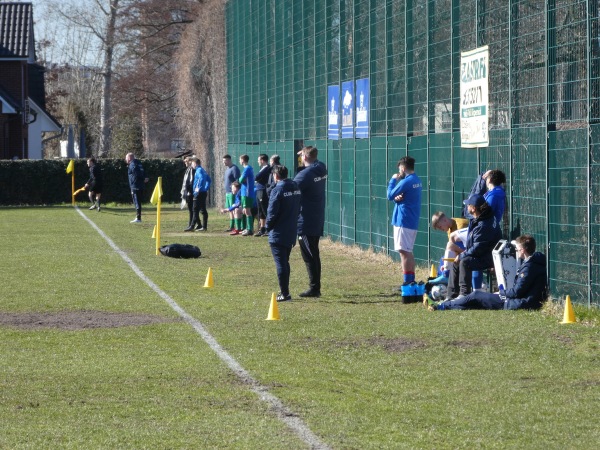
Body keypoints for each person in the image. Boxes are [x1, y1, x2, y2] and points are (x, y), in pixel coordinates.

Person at [426, 235, 547, 311]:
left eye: (517, 249)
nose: (516, 251)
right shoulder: (534, 263)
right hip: (519, 301)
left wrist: (501, 293)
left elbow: (517, 292)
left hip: (515, 303)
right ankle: (443, 307)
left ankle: (441, 306)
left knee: (475, 296)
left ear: (523, 250)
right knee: (475, 302)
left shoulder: (529, 267)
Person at [446, 194, 502, 300]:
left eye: (468, 205)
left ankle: (464, 294)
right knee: (457, 261)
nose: (466, 207)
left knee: (464, 261)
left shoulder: (484, 224)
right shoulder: (480, 218)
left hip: (488, 257)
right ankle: (451, 296)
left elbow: (478, 248)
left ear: (474, 208)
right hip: (483, 253)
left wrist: (462, 254)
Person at [294, 145, 328, 298]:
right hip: (317, 217)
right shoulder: (321, 168)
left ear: (304, 157)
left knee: (310, 256)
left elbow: (290, 187)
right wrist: (305, 155)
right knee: (314, 252)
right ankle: (315, 287)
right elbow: (315, 162)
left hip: (306, 221)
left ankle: (315, 288)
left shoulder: (304, 175)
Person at [266, 165, 301, 302]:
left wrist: (268, 227)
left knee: (281, 263)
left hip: (278, 232)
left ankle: (285, 293)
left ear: (275, 176)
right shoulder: (295, 187)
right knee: (285, 262)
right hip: (291, 230)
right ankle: (285, 291)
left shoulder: (278, 190)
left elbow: (272, 212)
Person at [387, 156, 423, 287]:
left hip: (404, 220)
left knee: (404, 252)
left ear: (402, 168)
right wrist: (398, 199)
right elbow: (403, 198)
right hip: (411, 220)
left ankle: (408, 282)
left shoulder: (406, 181)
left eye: (399, 170)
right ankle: (410, 280)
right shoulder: (416, 180)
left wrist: (392, 179)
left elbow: (389, 195)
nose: (399, 173)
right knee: (407, 251)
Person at [430, 211, 470, 284]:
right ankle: (442, 280)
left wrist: (447, 263)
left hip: (470, 251)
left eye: (440, 227)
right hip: (461, 251)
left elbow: (465, 245)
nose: (440, 229)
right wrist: (446, 263)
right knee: (443, 259)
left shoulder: (460, 225)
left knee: (449, 246)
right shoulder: (449, 228)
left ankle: (446, 276)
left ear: (445, 220)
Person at [186, 157, 211, 232]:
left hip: (199, 193)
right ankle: (204, 227)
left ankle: (192, 226)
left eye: (192, 163)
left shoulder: (198, 170)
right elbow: (209, 180)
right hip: (203, 192)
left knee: (195, 209)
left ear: (195, 163)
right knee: (203, 210)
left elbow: (202, 179)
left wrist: (198, 188)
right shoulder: (203, 170)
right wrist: (205, 188)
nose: (192, 165)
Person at [125, 152, 148, 223]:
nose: (125, 160)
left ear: (129, 158)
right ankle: (138, 217)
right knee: (138, 201)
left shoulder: (133, 164)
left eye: (126, 158)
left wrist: (143, 178)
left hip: (135, 186)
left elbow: (137, 173)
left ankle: (138, 218)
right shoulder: (139, 163)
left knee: (136, 202)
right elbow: (143, 172)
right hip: (140, 185)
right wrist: (145, 177)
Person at [254, 153, 272, 237]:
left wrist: (257, 180)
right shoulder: (262, 168)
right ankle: (262, 228)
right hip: (258, 190)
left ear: (262, 160)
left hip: (262, 190)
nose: (257, 161)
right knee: (260, 210)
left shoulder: (267, 168)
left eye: (258, 160)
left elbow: (257, 177)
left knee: (264, 209)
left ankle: (269, 228)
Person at [223, 154, 241, 232]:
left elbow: (237, 181)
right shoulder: (227, 169)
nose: (224, 163)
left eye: (225, 161)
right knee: (230, 209)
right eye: (223, 161)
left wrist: (235, 190)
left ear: (229, 160)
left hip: (232, 192)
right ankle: (231, 226)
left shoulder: (234, 168)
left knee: (234, 209)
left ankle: (237, 226)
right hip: (227, 192)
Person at [238, 154, 256, 236]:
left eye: (240, 159)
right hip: (244, 192)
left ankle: (250, 229)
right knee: (245, 210)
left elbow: (241, 179)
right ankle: (246, 228)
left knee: (247, 211)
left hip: (247, 192)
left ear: (243, 160)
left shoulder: (247, 169)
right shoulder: (248, 168)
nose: (239, 161)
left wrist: (240, 179)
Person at [180, 156, 195, 231]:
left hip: (191, 192)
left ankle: (191, 225)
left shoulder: (192, 170)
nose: (185, 162)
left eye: (186, 161)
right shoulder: (188, 169)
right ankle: (196, 224)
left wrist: (189, 190)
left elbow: (190, 181)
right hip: (188, 192)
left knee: (192, 210)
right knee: (191, 209)